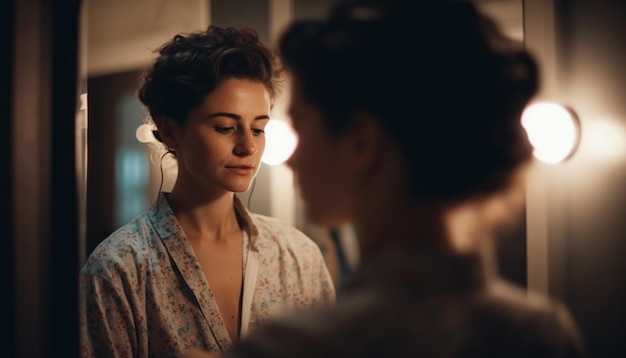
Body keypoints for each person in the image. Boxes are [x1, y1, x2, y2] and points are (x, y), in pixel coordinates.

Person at [180, 0, 586, 357]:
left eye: (300, 125)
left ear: (361, 142)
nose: (291, 158)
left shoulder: (302, 346)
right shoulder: (544, 332)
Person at [79, 25, 335, 357]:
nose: (247, 146)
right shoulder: (120, 269)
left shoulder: (298, 257)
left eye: (258, 129)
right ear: (171, 130)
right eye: (226, 127)